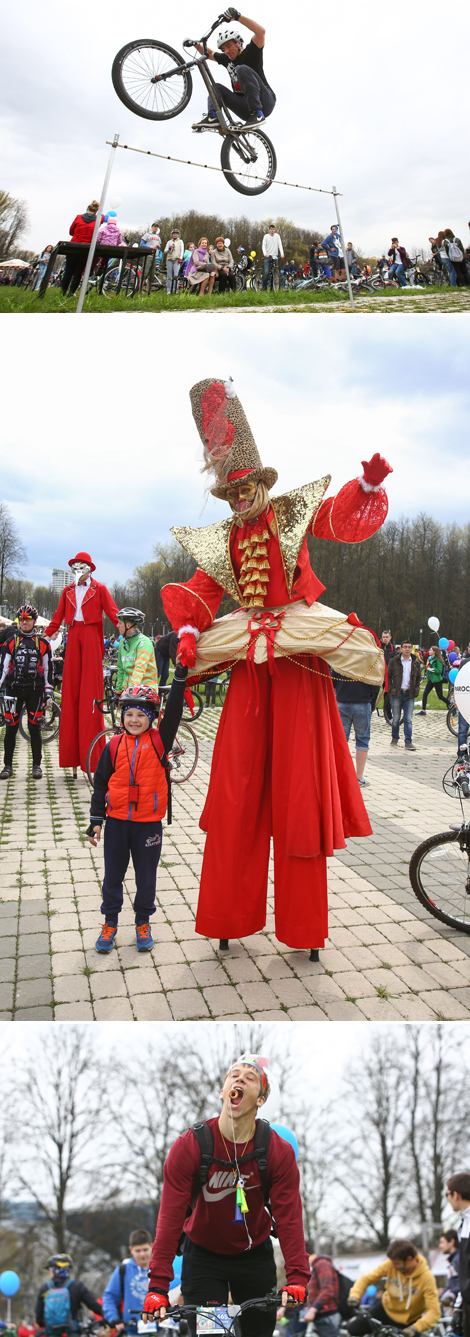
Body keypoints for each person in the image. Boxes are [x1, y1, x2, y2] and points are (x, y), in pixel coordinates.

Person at [160, 377, 391, 955]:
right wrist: (189, 634)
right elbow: (201, 590)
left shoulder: (290, 516)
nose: (239, 500)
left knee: (298, 794)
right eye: (231, 493)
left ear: (262, 484)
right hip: (247, 667)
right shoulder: (224, 540)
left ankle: (302, 926)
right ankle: (227, 916)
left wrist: (364, 486)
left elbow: (337, 519)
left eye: (245, 489)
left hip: (296, 665)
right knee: (236, 788)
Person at [141, 1054, 309, 1337]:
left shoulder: (277, 1152)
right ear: (223, 1091)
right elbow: (169, 1220)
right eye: (234, 1074)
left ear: (261, 1099)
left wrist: (297, 1278)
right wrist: (158, 1287)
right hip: (204, 1257)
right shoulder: (191, 1146)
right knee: (211, 1334)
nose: (240, 1078)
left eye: (251, 1077)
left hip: (254, 1254)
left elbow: (289, 1220)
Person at [87, 673, 187, 953]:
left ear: (152, 718)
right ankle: (109, 923)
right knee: (112, 876)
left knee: (146, 877)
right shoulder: (113, 745)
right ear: (121, 717)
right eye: (128, 714)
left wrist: (179, 677)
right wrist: (96, 819)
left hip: (148, 826)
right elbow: (100, 783)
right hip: (117, 824)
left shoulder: (160, 741)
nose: (133, 720)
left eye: (140, 715)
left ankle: (143, 922)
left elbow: (176, 710)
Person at [44, 552, 119, 775]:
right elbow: (58, 617)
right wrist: (45, 636)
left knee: (90, 693)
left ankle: (93, 758)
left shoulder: (100, 589)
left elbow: (113, 613)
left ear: (90, 569)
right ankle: (72, 757)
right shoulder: (67, 591)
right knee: (71, 692)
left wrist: (126, 629)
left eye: (82, 566)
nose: (78, 569)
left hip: (91, 636)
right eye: (75, 566)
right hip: (73, 635)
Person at [192, 10, 275, 130]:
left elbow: (260, 32)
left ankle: (257, 114)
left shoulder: (251, 52)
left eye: (229, 46)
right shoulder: (226, 59)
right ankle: (213, 118)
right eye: (223, 49)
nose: (226, 51)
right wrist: (194, 44)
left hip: (265, 102)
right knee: (216, 87)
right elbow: (209, 53)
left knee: (241, 69)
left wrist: (238, 17)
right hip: (245, 108)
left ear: (239, 43)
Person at [0, 605, 53, 781]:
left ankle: (37, 765)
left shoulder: (43, 644)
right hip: (13, 690)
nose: (24, 622)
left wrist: (48, 692)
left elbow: (47, 670)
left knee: (35, 729)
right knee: (10, 729)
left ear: (34, 621)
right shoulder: (10, 642)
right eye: (21, 619)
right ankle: (7, 766)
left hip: (35, 692)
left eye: (27, 619)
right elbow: (3, 668)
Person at [347, 1240, 440, 1336]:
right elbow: (367, 1278)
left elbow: (434, 1312)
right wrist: (355, 1295)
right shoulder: (390, 1264)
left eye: (397, 1263)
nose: (393, 1266)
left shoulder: (426, 1278)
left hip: (408, 1321)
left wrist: (416, 1328)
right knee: (353, 1329)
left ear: (409, 1259)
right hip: (385, 1310)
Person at [333, 671, 379, 787]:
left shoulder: (342, 658)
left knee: (340, 741)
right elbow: (375, 684)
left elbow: (333, 680)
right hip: (362, 702)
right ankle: (359, 777)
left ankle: (338, 775)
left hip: (342, 701)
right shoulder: (367, 658)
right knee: (362, 740)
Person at [35, 1255, 103, 1333]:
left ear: (53, 1271)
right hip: (72, 1332)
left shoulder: (45, 1288)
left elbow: (39, 1317)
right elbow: (94, 1306)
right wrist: (111, 1318)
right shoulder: (77, 1286)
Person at [103, 1230, 153, 1333]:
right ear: (131, 1250)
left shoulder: (162, 1268)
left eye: (145, 1249)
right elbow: (110, 1297)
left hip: (162, 1329)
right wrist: (113, 1318)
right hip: (133, 1329)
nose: (142, 1254)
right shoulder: (123, 1270)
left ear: (152, 1246)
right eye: (138, 1251)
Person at [61, 200, 104, 295]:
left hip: (74, 247)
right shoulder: (98, 220)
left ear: (87, 208)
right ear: (97, 211)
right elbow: (104, 216)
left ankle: (63, 292)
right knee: (79, 272)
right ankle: (71, 293)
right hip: (86, 249)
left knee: (68, 271)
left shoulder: (78, 217)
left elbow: (71, 232)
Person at [446, 1172, 470, 1337]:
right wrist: (459, 1307)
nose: (447, 1199)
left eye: (447, 1194)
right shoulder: (463, 1224)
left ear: (455, 1195)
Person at [115, 608, 159, 696]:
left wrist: (130, 692)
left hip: (145, 692)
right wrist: (118, 692)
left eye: (120, 623)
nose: (117, 625)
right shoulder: (122, 643)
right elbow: (121, 670)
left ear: (128, 625)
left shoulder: (144, 642)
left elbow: (139, 669)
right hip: (129, 692)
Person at [388, 640, 421, 749]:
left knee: (408, 719)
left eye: (409, 647)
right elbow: (388, 676)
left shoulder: (415, 662)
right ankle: (395, 737)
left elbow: (418, 678)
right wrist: (391, 688)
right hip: (397, 693)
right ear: (401, 648)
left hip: (409, 694)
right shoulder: (394, 661)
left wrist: (416, 688)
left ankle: (408, 741)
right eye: (405, 647)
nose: (407, 649)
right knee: (396, 718)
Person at [304, 1251, 342, 1337]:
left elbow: (327, 1290)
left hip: (327, 1315)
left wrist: (313, 1309)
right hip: (320, 1315)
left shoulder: (322, 1264)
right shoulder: (315, 1266)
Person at [417, 645, 448, 714]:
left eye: (430, 650)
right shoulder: (430, 659)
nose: (429, 651)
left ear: (434, 651)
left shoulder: (439, 660)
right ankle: (423, 710)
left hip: (437, 680)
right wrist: (427, 668)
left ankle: (450, 705)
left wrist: (432, 668)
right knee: (425, 694)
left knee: (440, 696)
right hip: (431, 679)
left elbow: (439, 671)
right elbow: (428, 666)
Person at [438, 1230, 460, 1304]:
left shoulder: (459, 1259)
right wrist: (440, 1298)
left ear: (451, 1242)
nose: (440, 1246)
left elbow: (463, 1282)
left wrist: (450, 1296)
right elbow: (451, 1285)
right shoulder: (454, 1260)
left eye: (442, 1242)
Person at [262, 224, 284, 289]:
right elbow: (263, 245)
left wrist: (282, 254)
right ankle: (264, 288)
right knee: (266, 272)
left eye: (273, 229)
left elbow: (280, 245)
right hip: (268, 256)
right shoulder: (266, 236)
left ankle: (273, 288)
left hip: (275, 256)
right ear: (269, 230)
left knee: (275, 272)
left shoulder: (277, 236)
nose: (272, 230)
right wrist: (265, 254)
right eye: (271, 229)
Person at [164, 229, 185, 293]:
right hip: (169, 259)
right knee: (169, 275)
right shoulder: (169, 242)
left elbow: (182, 251)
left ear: (178, 235)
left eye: (176, 234)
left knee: (176, 275)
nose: (175, 235)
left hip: (177, 259)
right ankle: (169, 290)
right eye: (174, 234)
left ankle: (175, 289)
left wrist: (180, 258)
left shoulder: (180, 241)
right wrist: (169, 249)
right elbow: (165, 251)